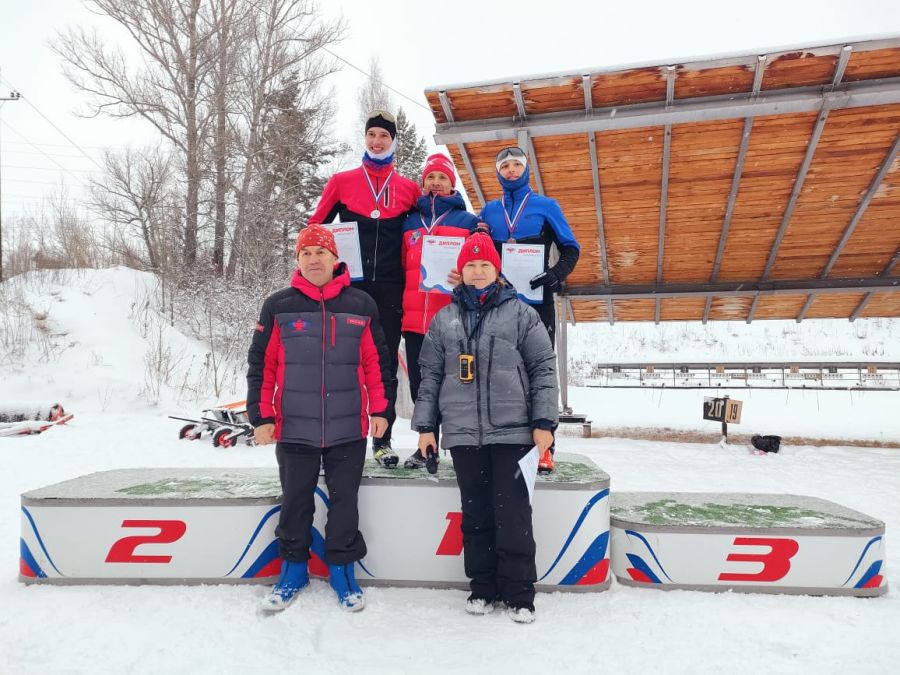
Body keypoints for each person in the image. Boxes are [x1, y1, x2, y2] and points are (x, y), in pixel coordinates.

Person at [411, 232, 558, 624]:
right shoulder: (444, 319)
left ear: (497, 270)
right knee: (475, 515)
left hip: (514, 433)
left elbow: (543, 369)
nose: (477, 271)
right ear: (461, 270)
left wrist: (544, 422)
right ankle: (482, 587)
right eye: (471, 264)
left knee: (513, 516)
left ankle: (519, 593)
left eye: (485, 264)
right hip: (463, 434)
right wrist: (426, 427)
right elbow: (429, 376)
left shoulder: (522, 314)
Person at [247, 225, 393, 613]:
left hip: (348, 428)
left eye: (320, 252)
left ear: (335, 258)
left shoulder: (361, 304)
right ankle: (293, 569)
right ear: (298, 260)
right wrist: (261, 415)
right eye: (306, 253)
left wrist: (381, 410)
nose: (313, 259)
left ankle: (342, 569)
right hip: (294, 427)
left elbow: (376, 362)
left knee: (345, 503)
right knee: (296, 503)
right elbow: (262, 365)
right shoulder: (278, 306)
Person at [308, 110, 420, 468]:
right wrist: (321, 269)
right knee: (343, 362)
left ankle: (382, 441)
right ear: (365, 138)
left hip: (391, 289)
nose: (377, 141)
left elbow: (431, 227)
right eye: (372, 134)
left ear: (394, 141)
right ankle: (337, 438)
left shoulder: (409, 189)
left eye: (384, 136)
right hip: (349, 288)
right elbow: (315, 230)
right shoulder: (342, 182)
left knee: (384, 364)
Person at [479, 146, 580, 473]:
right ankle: (502, 439)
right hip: (499, 304)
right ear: (498, 172)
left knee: (540, 371)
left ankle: (546, 447)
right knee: (499, 370)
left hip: (538, 304)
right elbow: (477, 251)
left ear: (526, 169)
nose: (510, 170)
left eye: (516, 164)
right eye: (504, 165)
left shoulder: (546, 206)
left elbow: (571, 249)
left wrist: (555, 275)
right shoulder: (489, 211)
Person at [400, 153, 479, 469]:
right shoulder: (409, 223)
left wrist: (465, 280)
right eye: (430, 177)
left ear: (452, 183)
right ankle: (426, 447)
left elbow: (480, 267)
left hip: (452, 320)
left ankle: (459, 446)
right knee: (421, 387)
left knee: (455, 386)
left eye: (442, 177)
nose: (435, 182)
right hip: (415, 321)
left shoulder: (468, 222)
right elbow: (402, 268)